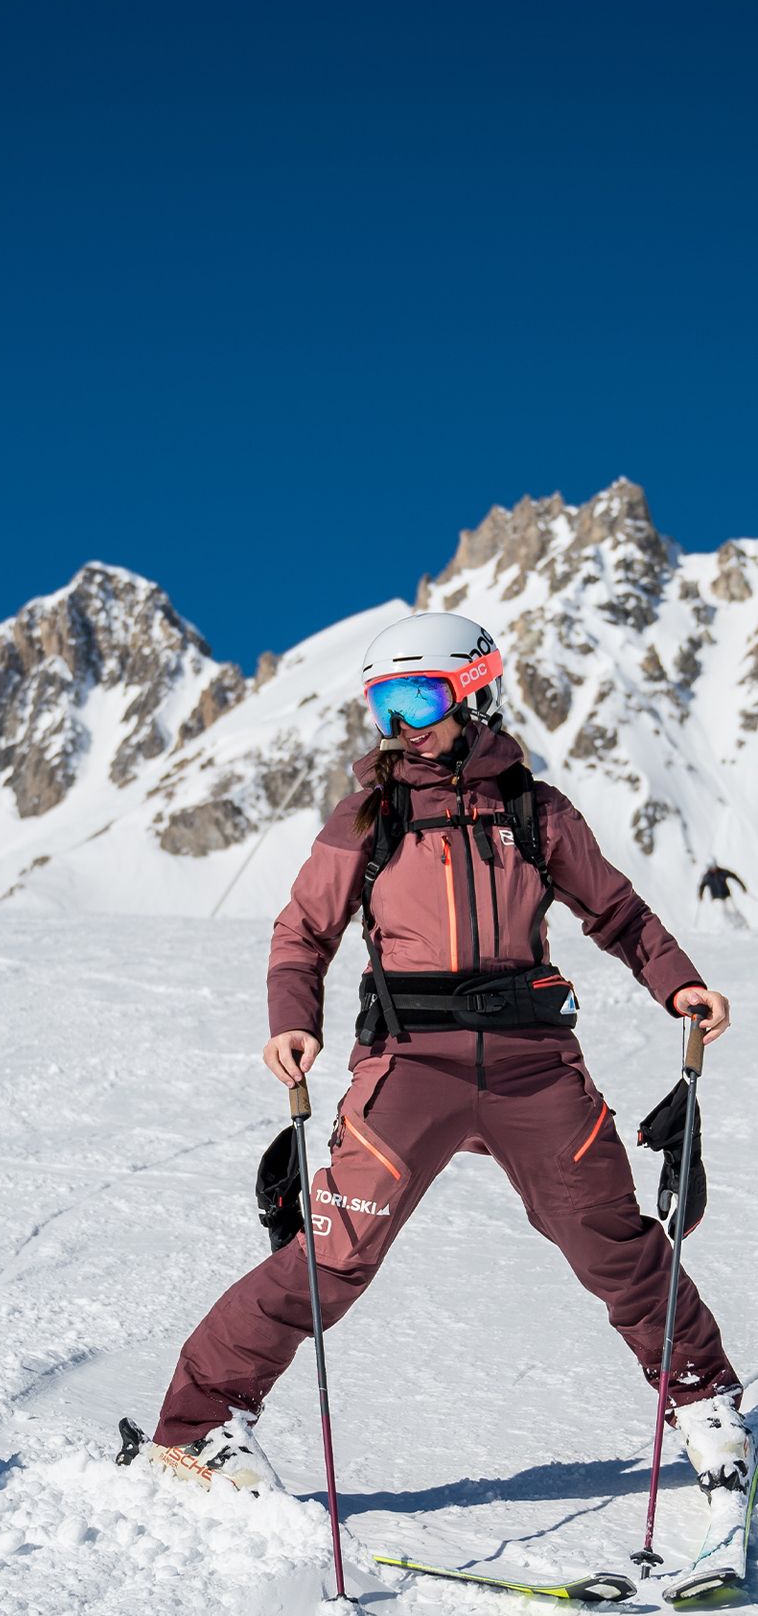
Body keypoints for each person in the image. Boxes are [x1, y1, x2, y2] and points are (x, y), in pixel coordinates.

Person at [145, 612, 749, 1498]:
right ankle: (198, 1429)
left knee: (610, 1240)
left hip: (533, 1062)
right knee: (334, 1255)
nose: (400, 725)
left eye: (418, 698)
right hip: (409, 1062)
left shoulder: (535, 812)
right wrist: (292, 1017)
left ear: (473, 689)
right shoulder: (369, 817)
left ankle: (706, 1404)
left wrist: (678, 983)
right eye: (383, 704)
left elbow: (619, 915)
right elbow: (302, 932)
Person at [699, 861, 748, 927]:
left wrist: (743, 886)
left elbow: (734, 876)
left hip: (726, 895)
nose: (713, 868)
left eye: (713, 866)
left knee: (733, 909)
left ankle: (743, 924)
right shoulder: (707, 876)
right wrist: (700, 895)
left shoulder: (722, 872)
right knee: (722, 912)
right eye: (710, 867)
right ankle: (730, 927)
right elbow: (702, 886)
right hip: (716, 898)